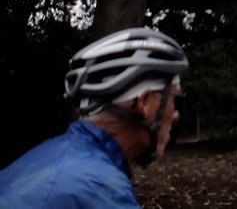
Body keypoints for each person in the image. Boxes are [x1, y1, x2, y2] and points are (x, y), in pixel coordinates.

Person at [0, 27, 188, 208]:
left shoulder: (46, 154)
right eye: (174, 99)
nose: (176, 114)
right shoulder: (97, 186)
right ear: (145, 103)